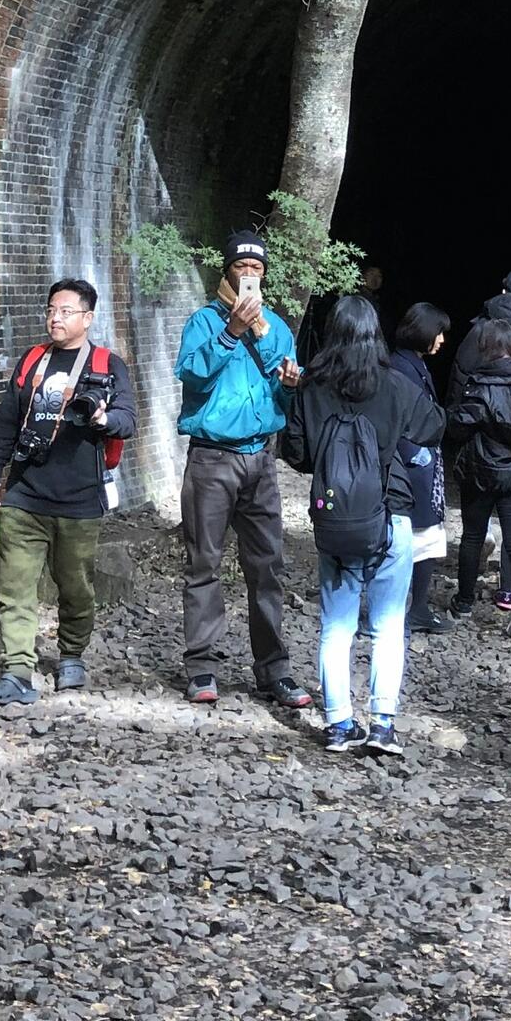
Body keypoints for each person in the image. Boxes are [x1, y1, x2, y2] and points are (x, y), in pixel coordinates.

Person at [280, 294, 443, 756]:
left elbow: (296, 453)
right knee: (389, 624)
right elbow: (434, 426)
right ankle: (384, 726)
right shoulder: (395, 385)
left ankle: (337, 725)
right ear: (375, 334)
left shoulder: (311, 386)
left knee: (337, 624)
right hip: (392, 514)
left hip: (335, 519)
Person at [0, 279, 136, 707]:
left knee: (76, 586)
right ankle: (16, 671)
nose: (55, 317)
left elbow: (128, 420)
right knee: (14, 587)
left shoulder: (107, 365)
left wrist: (103, 418)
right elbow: (7, 421)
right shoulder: (32, 360)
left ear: (87, 318)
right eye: (52, 309)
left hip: (80, 499)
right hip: (25, 494)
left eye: (66, 311)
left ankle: (71, 654)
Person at [174, 232, 310, 709]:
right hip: (211, 457)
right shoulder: (203, 321)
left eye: (256, 266)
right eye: (241, 265)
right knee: (204, 563)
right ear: (227, 271)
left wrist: (290, 385)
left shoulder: (277, 327)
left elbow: (281, 395)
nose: (248, 272)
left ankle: (274, 670)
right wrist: (230, 331)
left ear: (264, 274)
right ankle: (202, 668)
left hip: (260, 458)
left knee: (267, 566)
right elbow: (191, 374)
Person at [447, 319, 511, 639]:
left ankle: (464, 602)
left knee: (473, 536)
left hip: (481, 471)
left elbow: (459, 427)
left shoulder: (479, 386)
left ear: (485, 347)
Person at [389, 303, 452, 633]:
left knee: (424, 538)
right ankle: (409, 610)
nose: (441, 340)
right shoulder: (402, 369)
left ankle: (414, 607)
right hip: (411, 468)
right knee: (417, 538)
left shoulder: (411, 364)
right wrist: (415, 453)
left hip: (418, 463)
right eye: (438, 332)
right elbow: (398, 419)